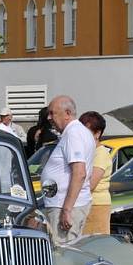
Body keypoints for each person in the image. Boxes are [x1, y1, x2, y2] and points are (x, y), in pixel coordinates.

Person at [40, 95, 95, 244]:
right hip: (64, 204)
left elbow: (79, 173)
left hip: (65, 207)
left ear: (67, 113)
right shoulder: (77, 132)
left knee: (61, 253)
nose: (49, 117)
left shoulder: (73, 134)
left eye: (53, 113)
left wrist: (67, 210)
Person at [81, 111, 112, 235]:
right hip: (85, 205)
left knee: (94, 245)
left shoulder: (101, 153)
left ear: (97, 133)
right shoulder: (86, 151)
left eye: (86, 132)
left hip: (96, 206)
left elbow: (91, 183)